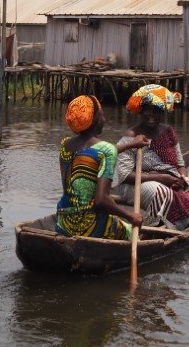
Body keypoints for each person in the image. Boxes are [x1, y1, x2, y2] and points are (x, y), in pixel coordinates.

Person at [114, 84, 189, 230]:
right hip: (133, 185)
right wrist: (160, 178)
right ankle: (148, 228)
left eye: (156, 110)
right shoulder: (132, 136)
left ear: (162, 113)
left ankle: (170, 226)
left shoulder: (169, 132)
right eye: (148, 110)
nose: (152, 114)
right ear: (142, 111)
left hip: (168, 181)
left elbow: (180, 164)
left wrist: (182, 179)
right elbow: (124, 174)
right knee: (161, 192)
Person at [55, 95, 147, 239]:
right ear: (96, 119)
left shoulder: (65, 145)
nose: (104, 119)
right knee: (131, 231)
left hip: (63, 223)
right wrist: (130, 215)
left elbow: (95, 152)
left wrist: (132, 144)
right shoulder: (106, 150)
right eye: (102, 114)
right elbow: (101, 201)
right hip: (90, 226)